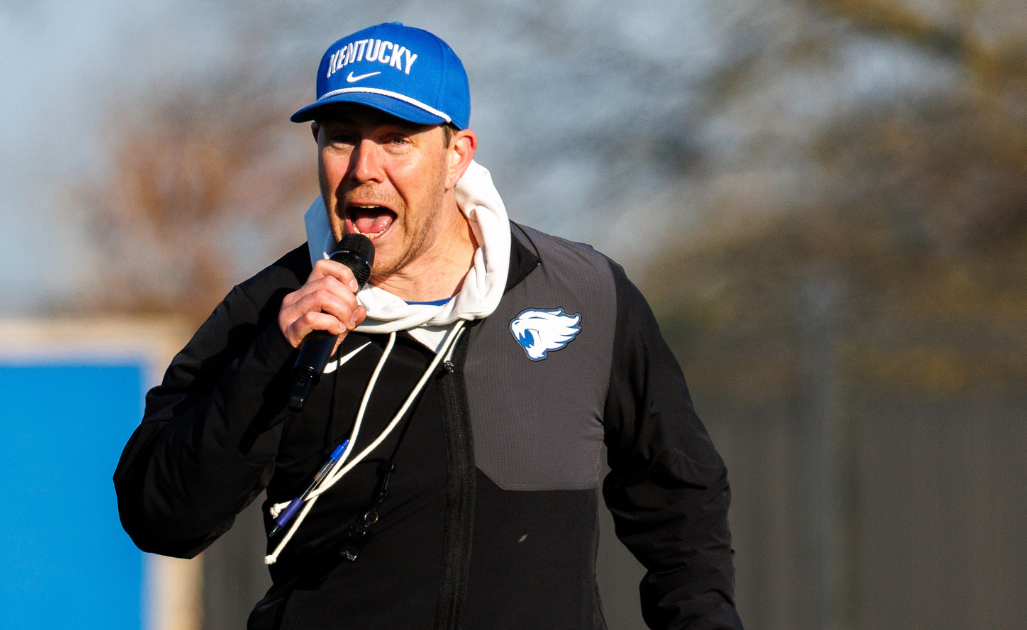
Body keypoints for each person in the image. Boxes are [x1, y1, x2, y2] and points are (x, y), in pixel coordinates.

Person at [114, 22, 743, 630]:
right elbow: (161, 517)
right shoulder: (270, 313)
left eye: (397, 139)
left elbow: (680, 500)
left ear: (456, 157)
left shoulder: (583, 293)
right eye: (341, 137)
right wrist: (269, 362)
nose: (363, 167)